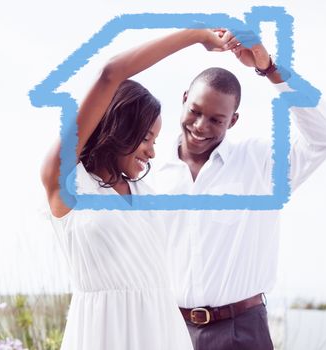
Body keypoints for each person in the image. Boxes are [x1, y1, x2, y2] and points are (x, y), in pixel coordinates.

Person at [40, 29, 230, 349]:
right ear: (117, 128)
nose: (152, 152)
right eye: (145, 139)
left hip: (161, 331)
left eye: (155, 140)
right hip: (102, 335)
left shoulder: (144, 191)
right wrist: (197, 34)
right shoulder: (69, 184)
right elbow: (111, 73)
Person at [145, 30, 326, 349]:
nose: (201, 126)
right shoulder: (148, 172)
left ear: (233, 121)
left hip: (241, 332)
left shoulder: (260, 164)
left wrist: (269, 68)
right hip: (168, 331)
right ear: (184, 98)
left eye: (217, 119)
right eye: (196, 111)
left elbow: (323, 136)